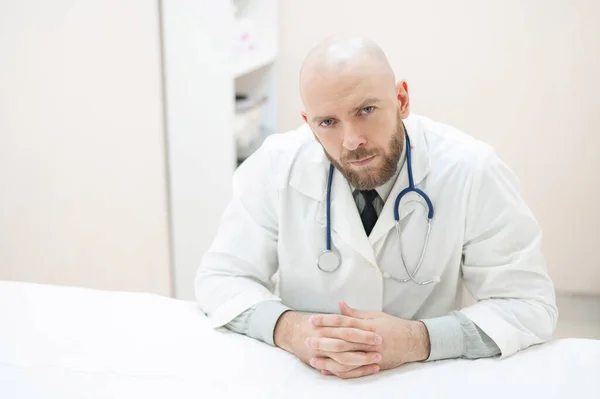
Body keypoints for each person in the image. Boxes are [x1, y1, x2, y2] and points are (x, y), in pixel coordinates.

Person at [195, 36, 557, 379]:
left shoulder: (472, 170)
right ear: (309, 123)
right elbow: (222, 278)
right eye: (328, 122)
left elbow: (528, 305)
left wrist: (419, 339)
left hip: (425, 377)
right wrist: (289, 330)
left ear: (402, 100)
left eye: (366, 110)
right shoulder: (274, 166)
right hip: (308, 380)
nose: (352, 141)